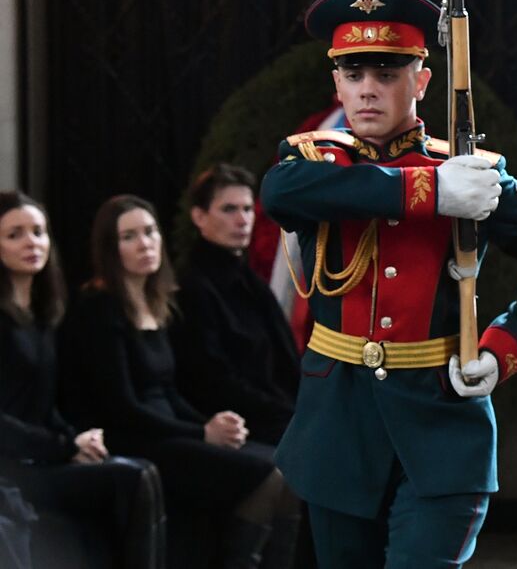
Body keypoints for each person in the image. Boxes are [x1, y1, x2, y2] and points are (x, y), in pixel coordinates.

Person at [261, 0, 517, 569]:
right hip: (338, 426)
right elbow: (280, 193)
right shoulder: (314, 166)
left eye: (388, 73)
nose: (369, 88)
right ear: (336, 82)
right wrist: (430, 191)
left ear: (421, 81)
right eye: (354, 72)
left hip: (442, 426)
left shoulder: (467, 172)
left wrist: (504, 350)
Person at [63, 195, 298, 569]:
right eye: (129, 236)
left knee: (290, 471)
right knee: (267, 475)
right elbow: (123, 407)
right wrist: (201, 433)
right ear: (110, 248)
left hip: (171, 431)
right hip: (136, 436)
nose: (145, 243)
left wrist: (211, 423)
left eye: (150, 231)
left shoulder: (157, 301)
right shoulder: (100, 307)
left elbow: (169, 391)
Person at [0, 191, 165, 569]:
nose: (31, 242)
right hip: (11, 470)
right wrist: (63, 446)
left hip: (41, 456)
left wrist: (79, 439)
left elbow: (44, 404)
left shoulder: (43, 315)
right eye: (15, 234)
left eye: (38, 231)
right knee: (132, 479)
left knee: (142, 472)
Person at [171, 164, 299, 447]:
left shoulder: (250, 282)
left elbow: (286, 361)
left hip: (280, 414)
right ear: (199, 216)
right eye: (229, 210)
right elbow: (212, 380)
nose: (242, 220)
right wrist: (290, 413)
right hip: (240, 425)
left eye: (247, 209)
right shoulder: (192, 287)